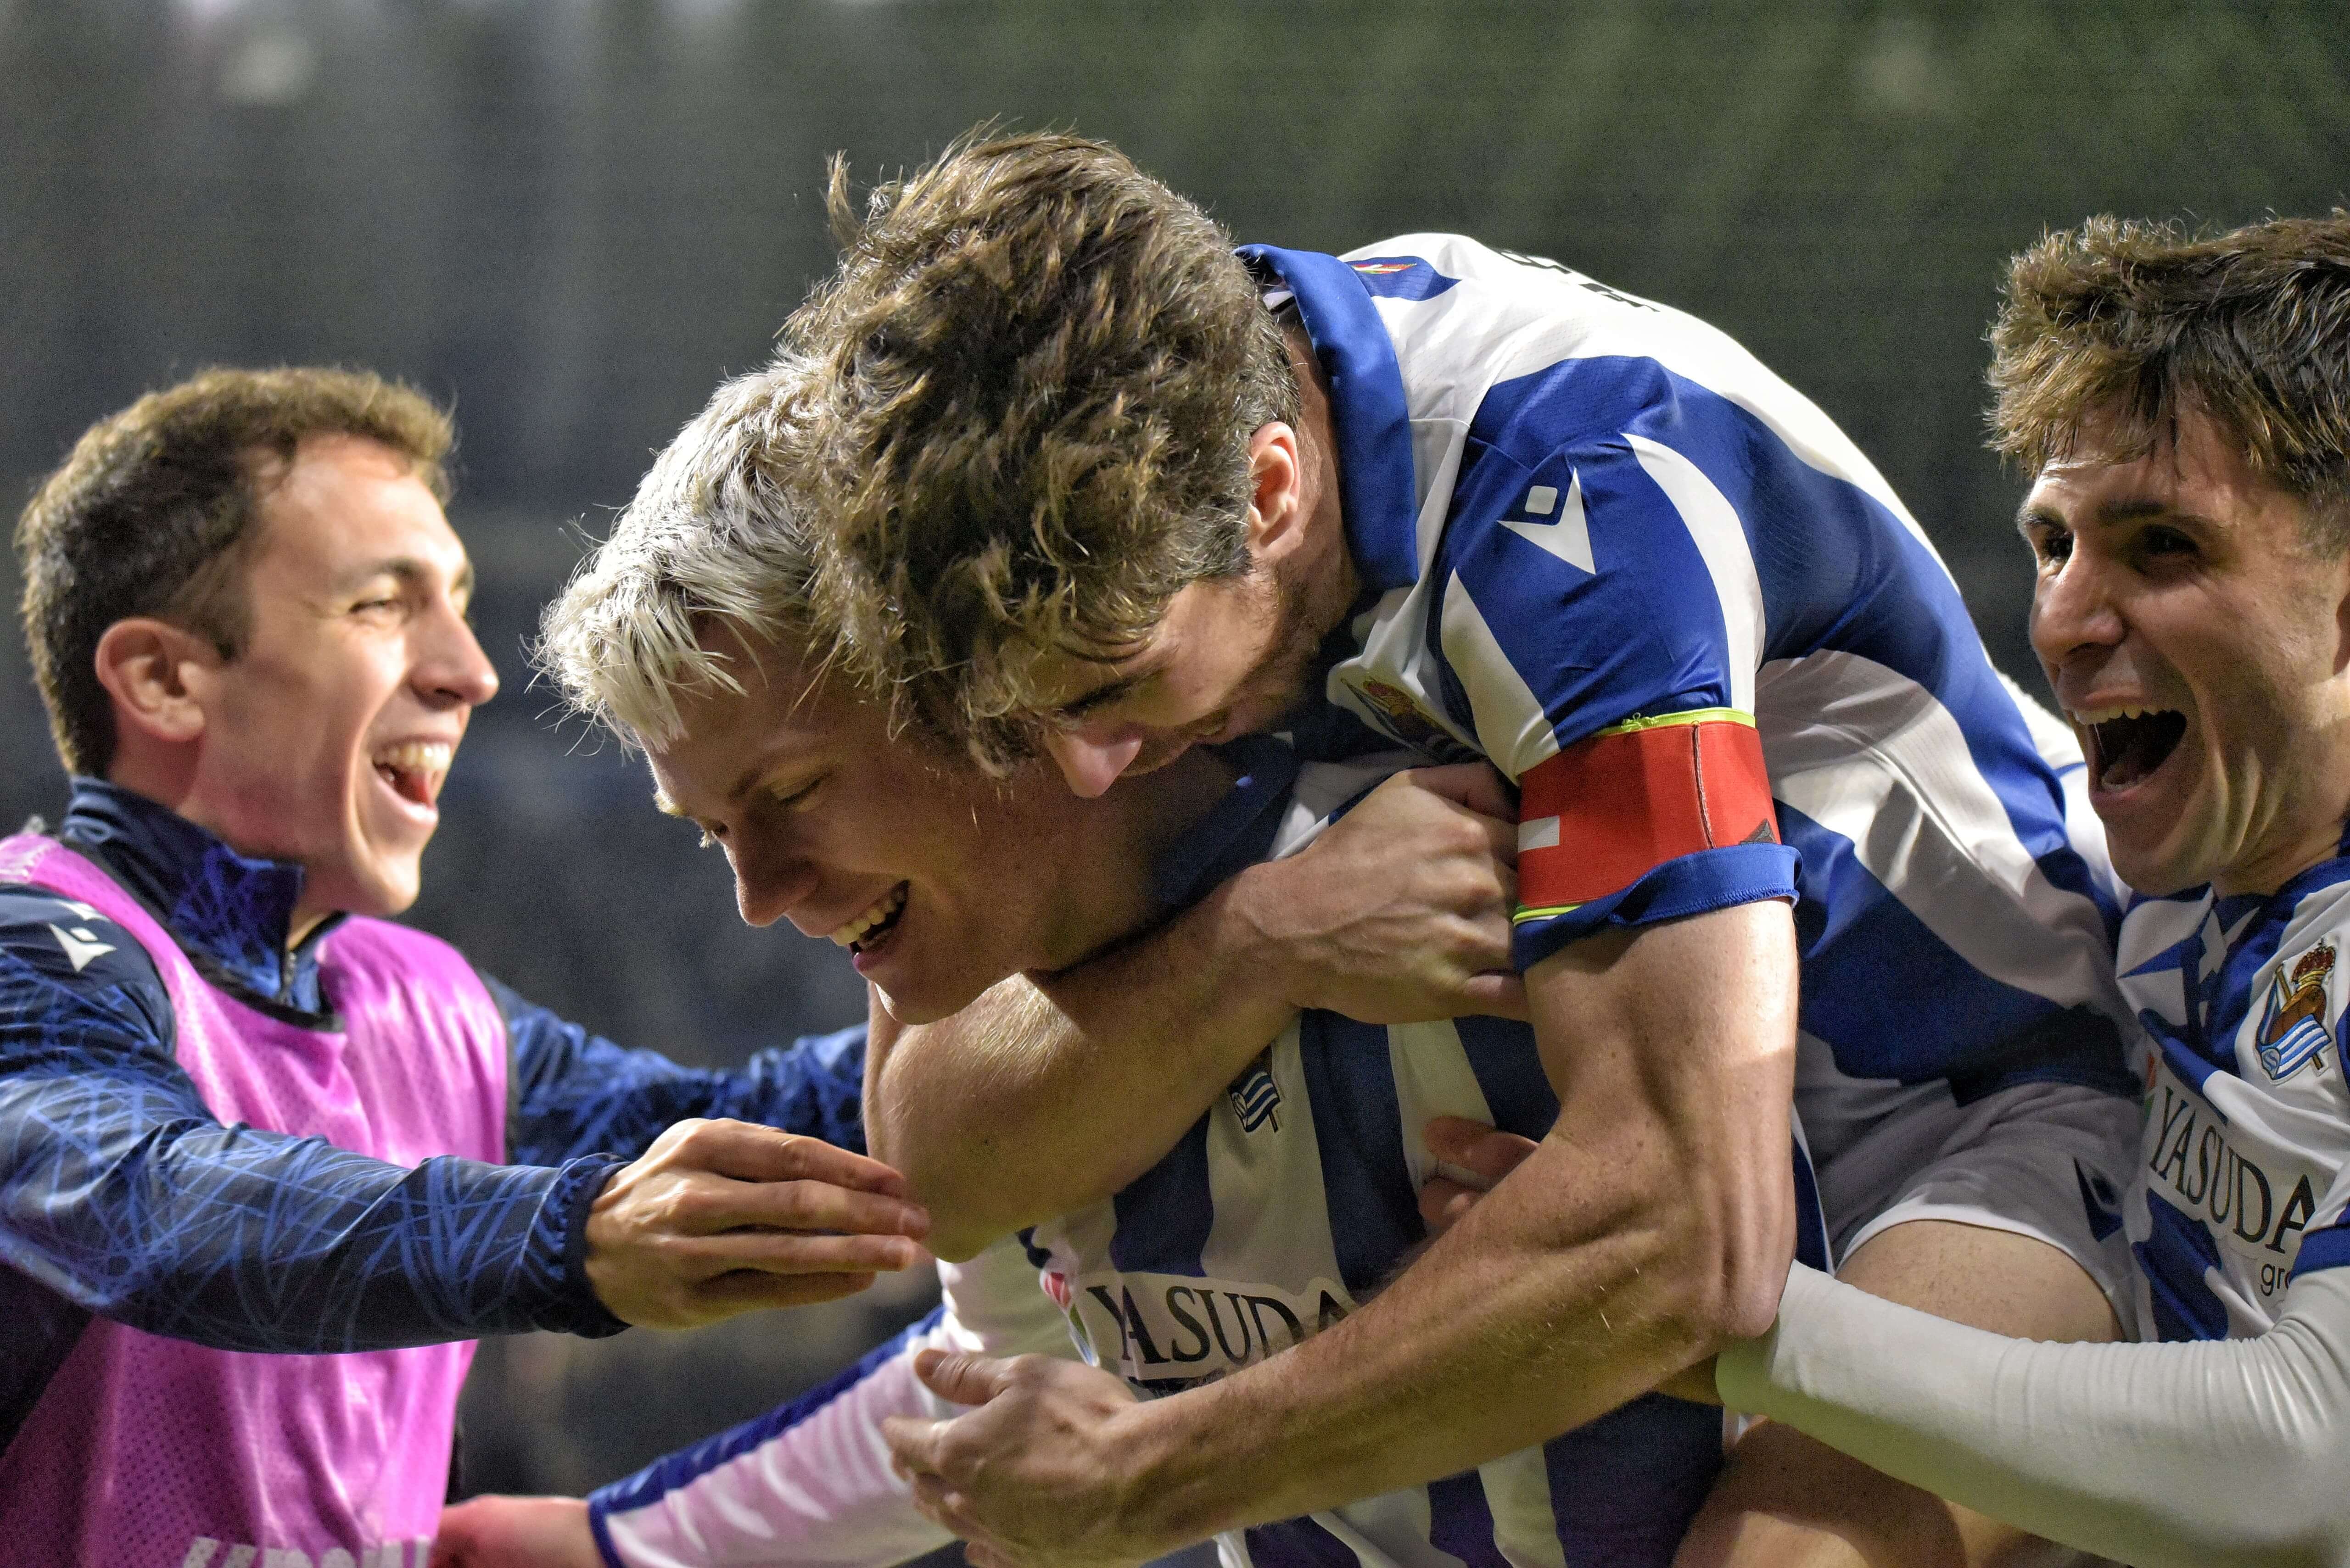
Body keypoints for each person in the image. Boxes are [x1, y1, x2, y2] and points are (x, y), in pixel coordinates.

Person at [436, 326, 2130, 1568]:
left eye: (791, 796)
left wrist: (1156, 1471)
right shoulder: (1063, 948)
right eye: (714, 830)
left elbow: (1676, 1230)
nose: (759, 891)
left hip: (2014, 1115)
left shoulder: (1460, 738)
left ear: (943, 693)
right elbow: (951, 1220)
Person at [0, 367, 936, 1566]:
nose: (470, 670)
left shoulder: (431, 1007)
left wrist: (1052, 958)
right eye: (384, 604)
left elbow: (742, 1143)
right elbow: (149, 1201)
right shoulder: (34, 953)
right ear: (165, 678)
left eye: (458, 603)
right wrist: (570, 1237)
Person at [1679, 215, 2350, 1568]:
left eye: (2162, 547)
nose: (2062, 617)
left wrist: (1734, 1319)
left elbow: (2309, 1465)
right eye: (2054, 543)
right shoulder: (2171, 859)